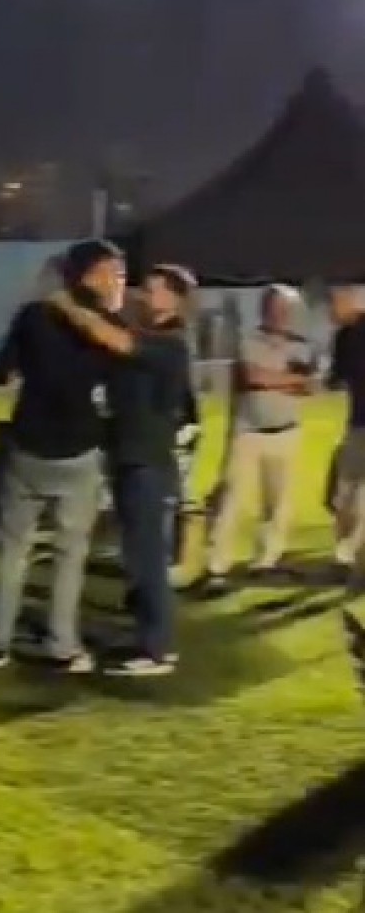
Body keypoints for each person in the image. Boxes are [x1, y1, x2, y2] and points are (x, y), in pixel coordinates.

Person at [43, 265, 198, 677]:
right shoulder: (151, 337)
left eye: (151, 290)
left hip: (147, 464)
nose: (142, 296)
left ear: (174, 299)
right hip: (132, 459)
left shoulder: (171, 345)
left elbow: (113, 338)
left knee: (148, 558)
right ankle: (151, 637)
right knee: (139, 554)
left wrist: (67, 306)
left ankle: (155, 650)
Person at [0, 239, 119, 673]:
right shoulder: (106, 325)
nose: (117, 280)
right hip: (78, 450)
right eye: (111, 271)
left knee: (12, 549)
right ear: (90, 274)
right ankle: (61, 645)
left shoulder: (33, 316)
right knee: (68, 553)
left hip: (28, 446)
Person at [202, 284, 314, 585]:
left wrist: (273, 379)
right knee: (232, 501)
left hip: (287, 432)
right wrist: (287, 380)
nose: (281, 315)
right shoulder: (248, 340)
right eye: (276, 308)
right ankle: (216, 567)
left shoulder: (300, 345)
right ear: (265, 309)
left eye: (286, 310)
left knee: (279, 504)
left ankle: (266, 561)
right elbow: (252, 376)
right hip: (248, 432)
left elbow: (309, 386)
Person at [326, 286, 365, 570]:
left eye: (334, 303)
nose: (331, 311)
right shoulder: (343, 336)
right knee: (349, 489)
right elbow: (338, 377)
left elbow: (336, 378)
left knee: (348, 489)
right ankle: (346, 552)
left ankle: (345, 552)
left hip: (359, 422)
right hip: (358, 421)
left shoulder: (347, 336)